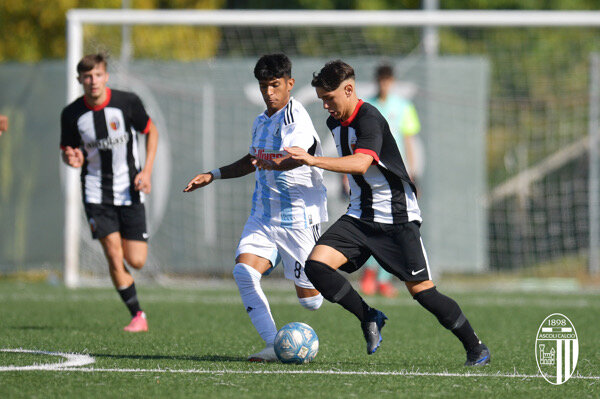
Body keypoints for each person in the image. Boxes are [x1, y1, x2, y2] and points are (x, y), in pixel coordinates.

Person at [285, 60, 490, 366]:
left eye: (330, 98)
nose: (326, 106)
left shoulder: (369, 118)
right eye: (322, 100)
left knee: (423, 293)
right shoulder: (335, 123)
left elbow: (360, 163)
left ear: (349, 89)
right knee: (316, 266)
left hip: (397, 218)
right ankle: (369, 316)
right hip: (360, 216)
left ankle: (476, 347)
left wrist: (314, 161)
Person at [184, 54, 328, 362]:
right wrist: (214, 174)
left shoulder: (295, 118)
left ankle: (317, 270)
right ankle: (274, 344)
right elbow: (252, 160)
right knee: (243, 272)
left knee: (311, 302)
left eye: (275, 85)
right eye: (264, 87)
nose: (269, 93)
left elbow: (296, 156)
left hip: (298, 219)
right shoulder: (262, 121)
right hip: (263, 217)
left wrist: (272, 162)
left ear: (290, 84)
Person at [61, 53, 158, 332]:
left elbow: (152, 132)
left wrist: (147, 171)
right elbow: (69, 153)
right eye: (87, 77)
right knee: (114, 256)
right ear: (79, 79)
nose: (93, 81)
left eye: (98, 75)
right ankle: (138, 315)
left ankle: (135, 306)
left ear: (106, 76)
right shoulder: (71, 114)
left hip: (130, 190)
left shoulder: (127, 103)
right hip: (95, 194)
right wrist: (72, 159)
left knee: (136, 260)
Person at [359, 63, 422, 298]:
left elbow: (408, 140)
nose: (384, 84)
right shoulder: (368, 106)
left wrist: (412, 173)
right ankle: (369, 272)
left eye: (388, 80)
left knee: (397, 227)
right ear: (377, 81)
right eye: (381, 80)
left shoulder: (403, 106)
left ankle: (384, 279)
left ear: (392, 81)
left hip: (397, 174)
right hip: (372, 173)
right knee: (373, 224)